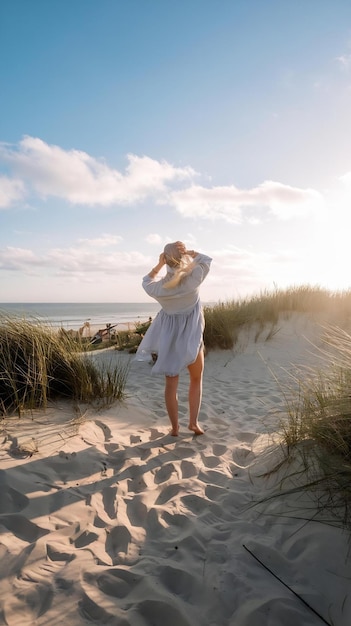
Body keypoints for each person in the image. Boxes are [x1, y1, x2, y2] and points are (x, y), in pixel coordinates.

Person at [136, 241, 212, 436]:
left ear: (166, 259)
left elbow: (146, 280)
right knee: (196, 379)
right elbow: (206, 259)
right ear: (183, 257)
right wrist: (190, 252)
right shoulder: (194, 279)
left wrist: (159, 265)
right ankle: (193, 423)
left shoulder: (160, 288)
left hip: (169, 340)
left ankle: (175, 428)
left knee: (171, 385)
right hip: (192, 338)